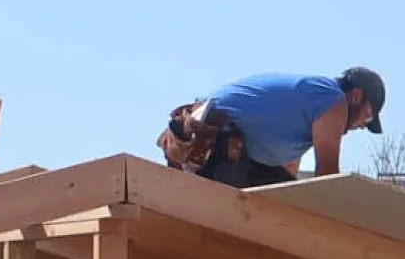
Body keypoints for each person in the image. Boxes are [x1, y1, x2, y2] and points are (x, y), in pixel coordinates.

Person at [160, 69, 388, 188]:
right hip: (216, 138)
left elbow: (284, 180)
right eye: (365, 119)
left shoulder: (300, 122)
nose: (359, 127)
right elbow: (327, 178)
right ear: (356, 96)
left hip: (208, 143)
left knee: (281, 202)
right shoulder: (332, 99)